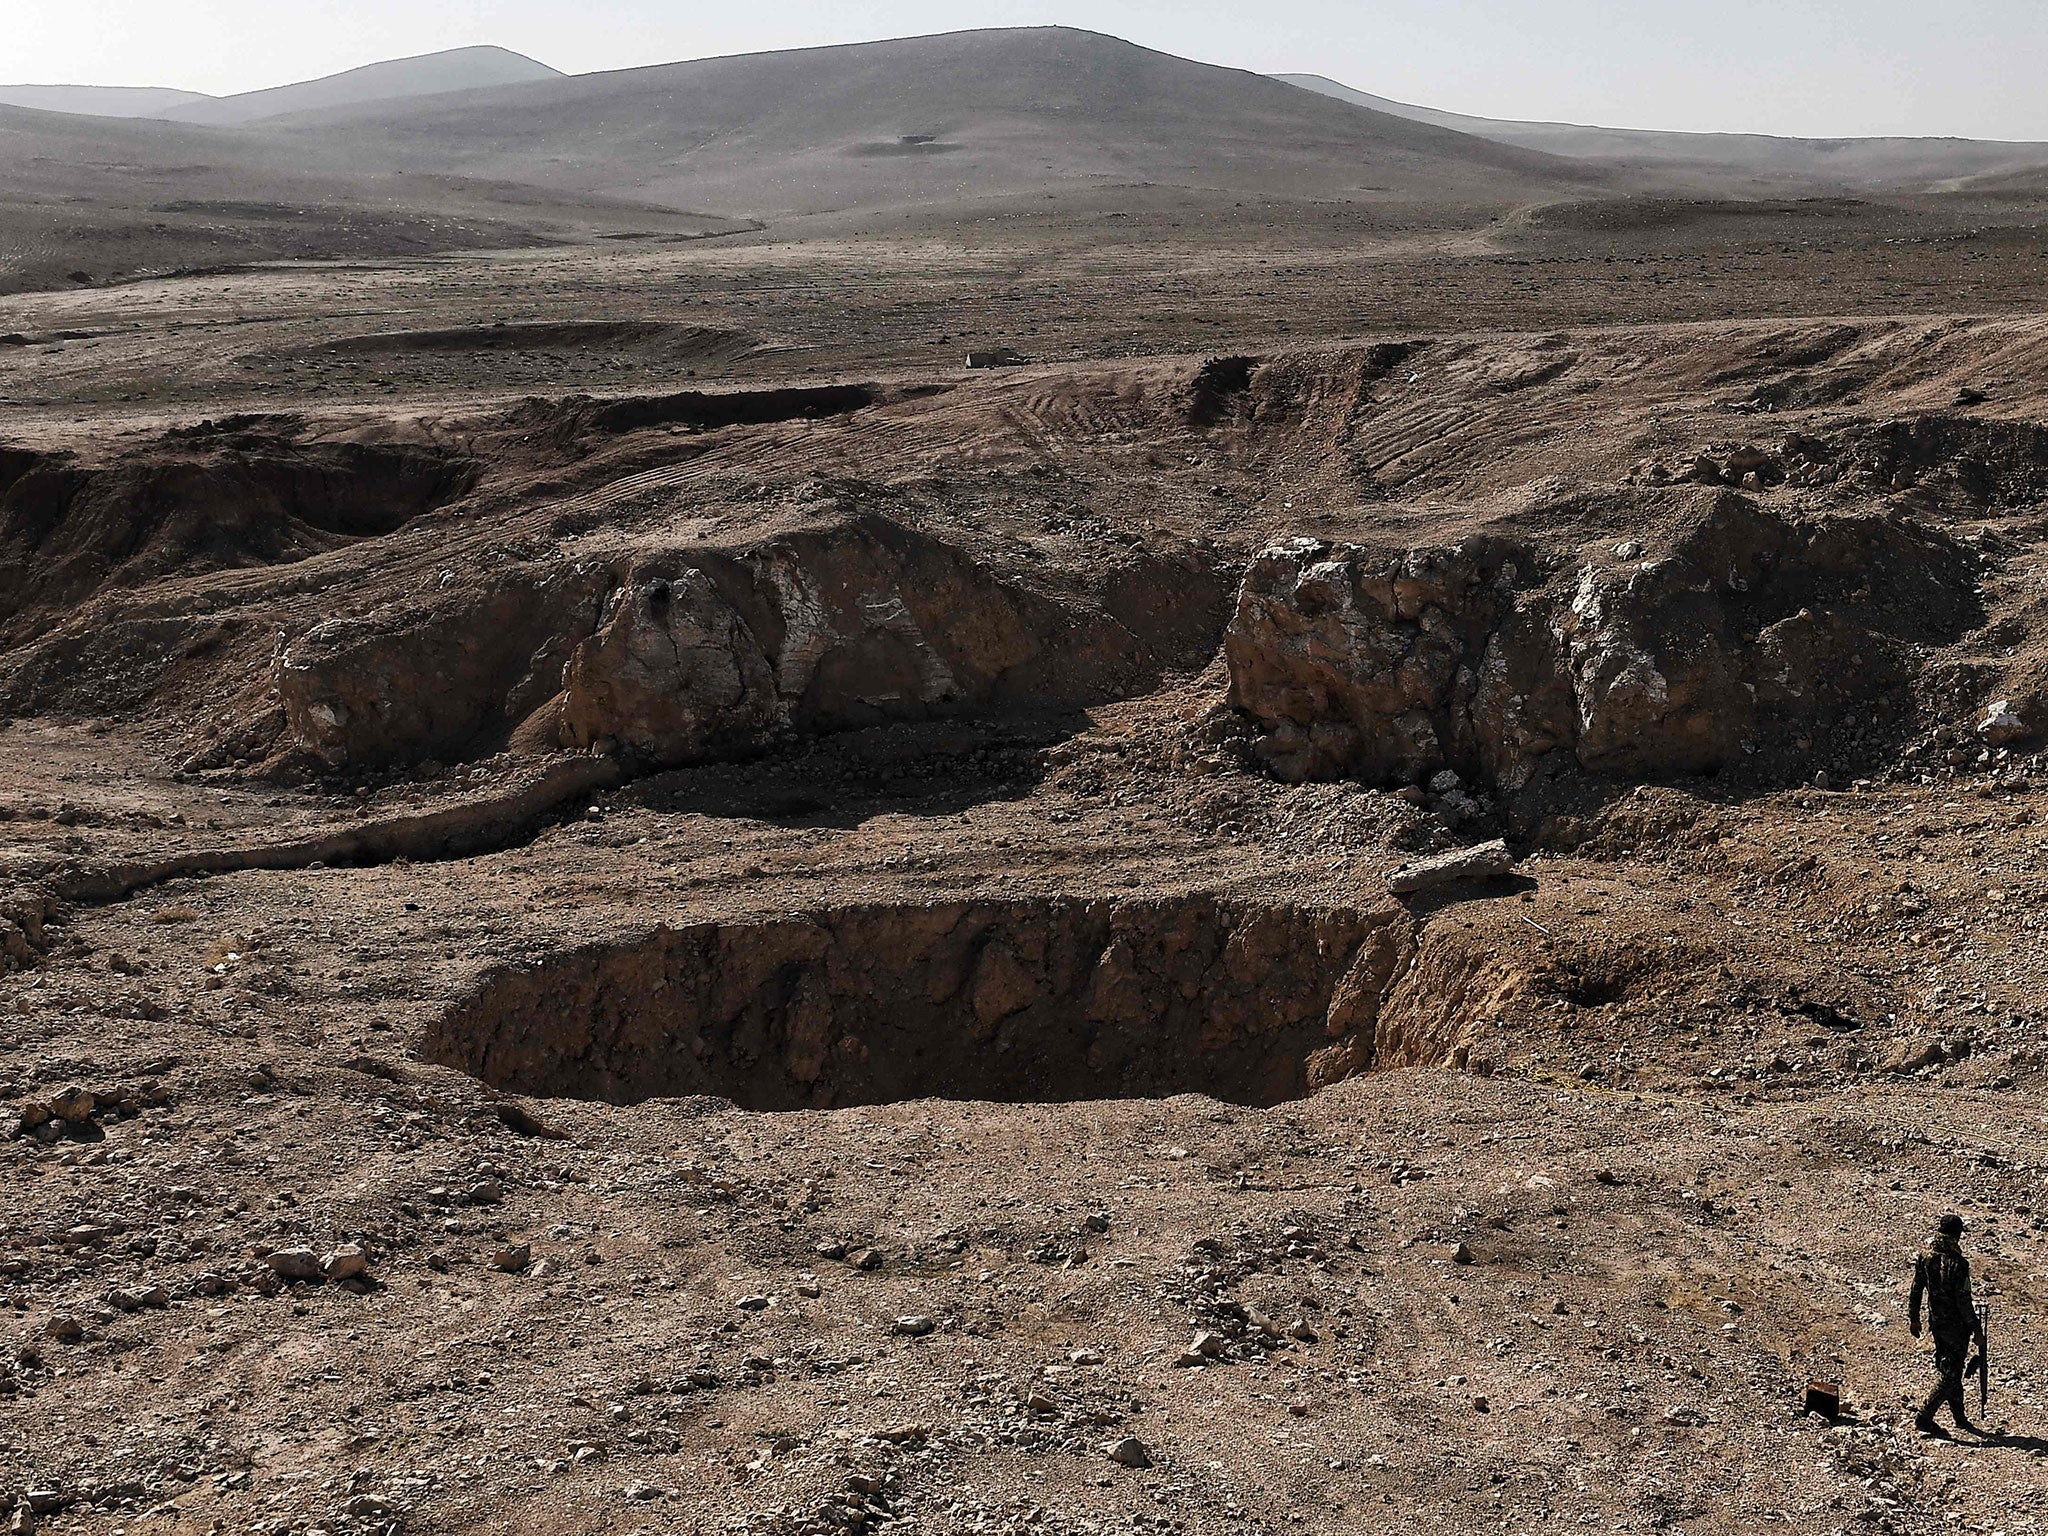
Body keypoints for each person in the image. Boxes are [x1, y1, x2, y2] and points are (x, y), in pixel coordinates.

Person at [1909, 1213, 1987, 1435]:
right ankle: (1925, 1416)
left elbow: (1916, 1290)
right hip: (1956, 1327)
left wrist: (1914, 1319)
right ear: (1957, 1235)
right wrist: (1977, 1331)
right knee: (1951, 1374)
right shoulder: (1958, 1264)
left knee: (1950, 1368)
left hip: (1937, 1324)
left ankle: (1959, 1418)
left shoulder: (1925, 1257)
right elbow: (1964, 1301)